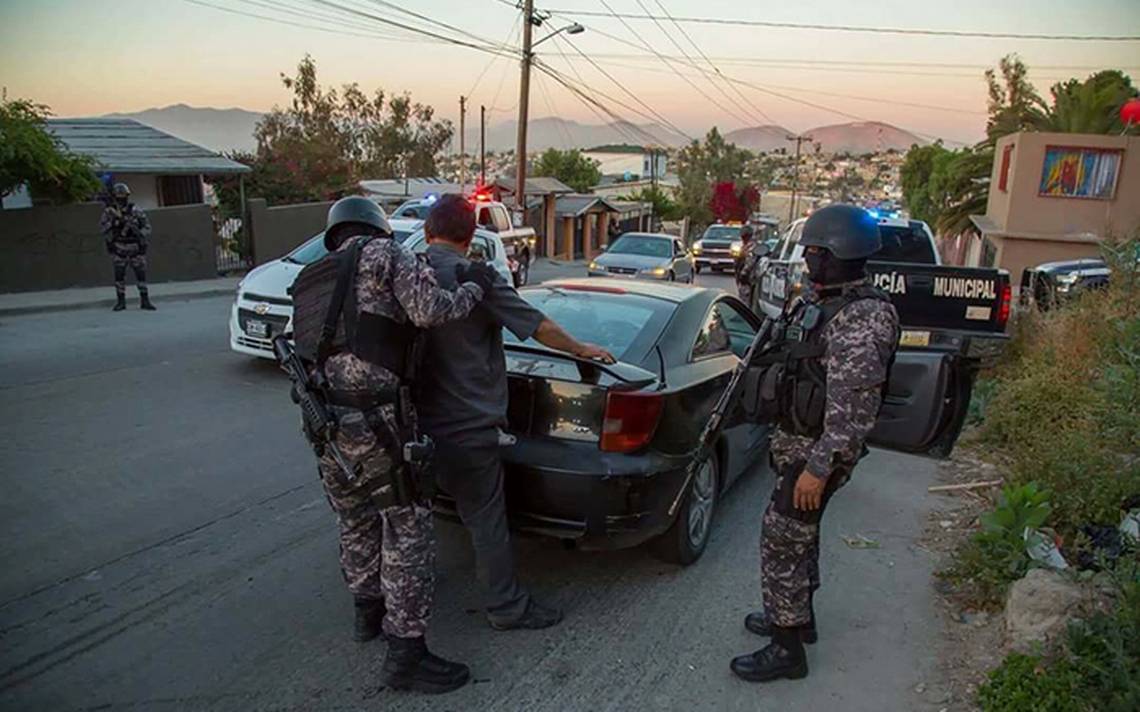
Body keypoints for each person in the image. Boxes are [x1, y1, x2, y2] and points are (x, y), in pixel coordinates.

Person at [288, 196, 498, 695]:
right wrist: (475, 286)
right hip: (378, 417)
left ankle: (368, 613)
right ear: (377, 229)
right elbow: (431, 310)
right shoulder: (385, 255)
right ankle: (407, 653)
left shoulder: (309, 279)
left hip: (325, 423)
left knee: (354, 517)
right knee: (407, 529)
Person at [416, 194, 615, 631]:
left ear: (428, 232)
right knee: (486, 520)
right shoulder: (476, 278)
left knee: (408, 517)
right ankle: (506, 607)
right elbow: (537, 325)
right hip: (467, 428)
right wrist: (582, 348)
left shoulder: (406, 271)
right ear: (470, 238)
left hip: (408, 427)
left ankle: (387, 606)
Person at [730, 204, 899, 683]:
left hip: (819, 452)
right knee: (800, 535)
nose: (806, 260)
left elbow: (854, 410)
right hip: (801, 443)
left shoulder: (863, 318)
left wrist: (820, 468)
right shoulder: (830, 302)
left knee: (782, 538)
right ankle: (796, 617)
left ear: (839, 255)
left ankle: (786, 650)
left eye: (815, 252)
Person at [100, 183, 155, 311]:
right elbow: (102, 229)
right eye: (118, 196)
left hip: (135, 247)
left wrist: (139, 233)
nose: (121, 199)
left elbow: (147, 227)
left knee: (141, 276)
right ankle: (121, 302)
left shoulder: (136, 210)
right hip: (119, 247)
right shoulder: (110, 212)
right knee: (119, 276)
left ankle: (145, 300)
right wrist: (113, 223)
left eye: (123, 196)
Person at [734, 224, 761, 308]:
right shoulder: (744, 246)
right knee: (742, 294)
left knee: (745, 296)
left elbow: (750, 261)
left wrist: (744, 273)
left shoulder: (752, 246)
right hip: (741, 273)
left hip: (747, 276)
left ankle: (744, 313)